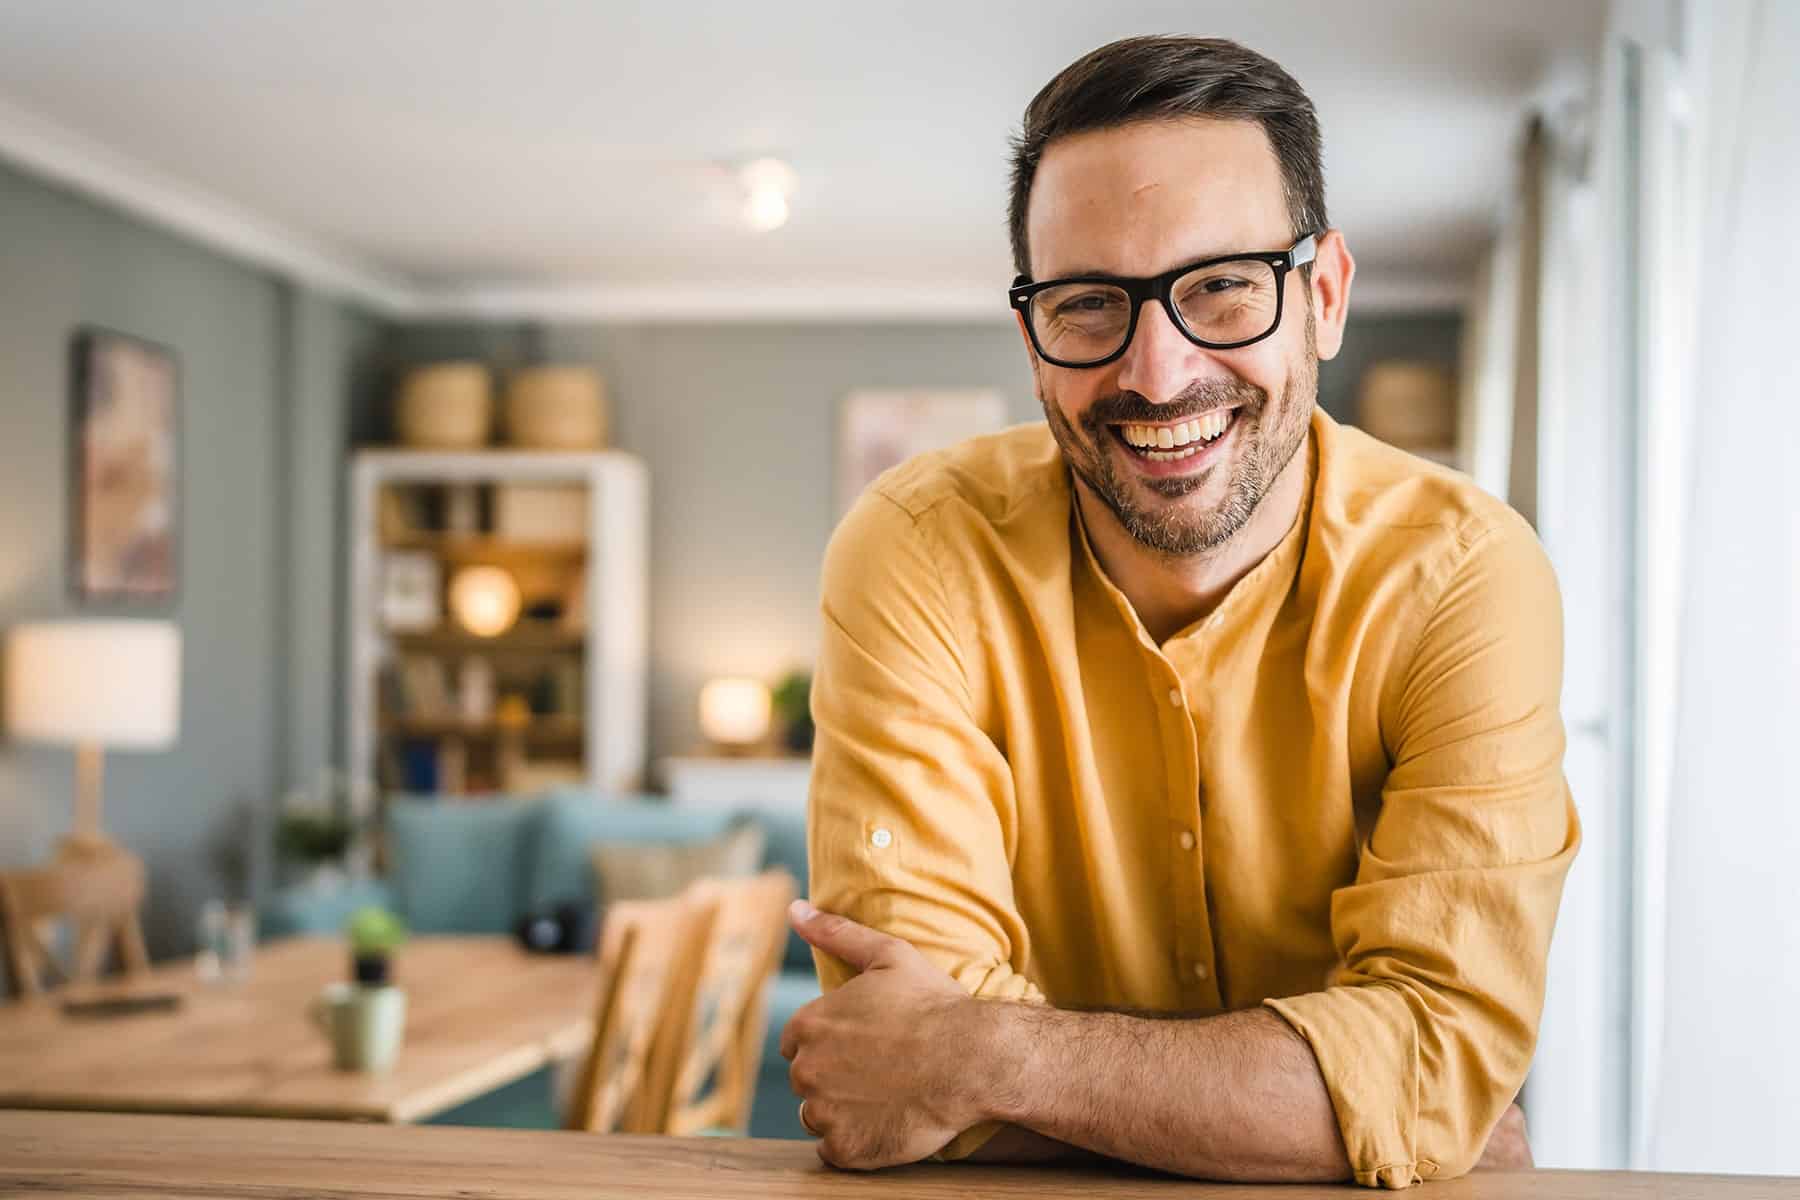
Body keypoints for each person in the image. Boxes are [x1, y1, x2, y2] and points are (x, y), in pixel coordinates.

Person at [778, 34, 1578, 1189]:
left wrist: (987, 1058)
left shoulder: (1466, 577)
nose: (1157, 372)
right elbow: (892, 1067)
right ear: (1032, 338)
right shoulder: (916, 551)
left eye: (1219, 287)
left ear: (1327, 296)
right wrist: (1348, 1113)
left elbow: (1433, 1068)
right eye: (1090, 303)